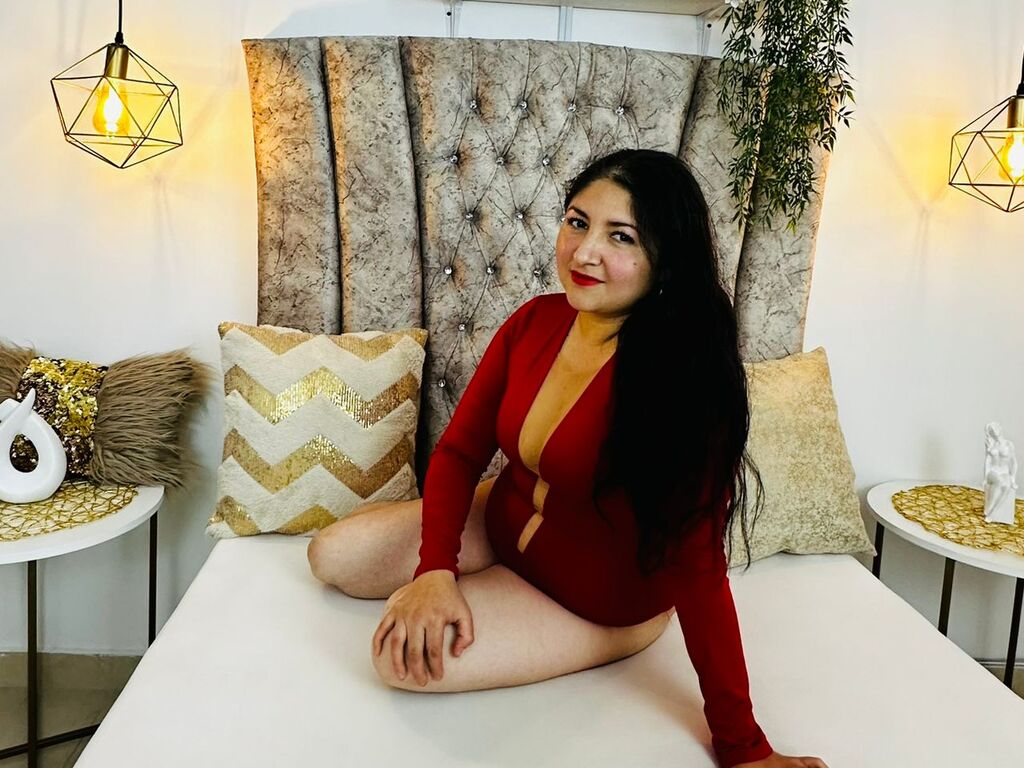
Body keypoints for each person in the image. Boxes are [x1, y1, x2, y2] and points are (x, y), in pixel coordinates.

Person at [307, 148, 829, 768]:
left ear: (663, 259)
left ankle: (636, 631)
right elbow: (460, 452)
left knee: (397, 657)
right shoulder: (535, 321)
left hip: (594, 598)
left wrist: (743, 746)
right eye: (578, 222)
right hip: (503, 522)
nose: (584, 252)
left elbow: (699, 569)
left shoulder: (683, 385)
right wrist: (435, 571)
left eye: (620, 236)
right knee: (329, 555)